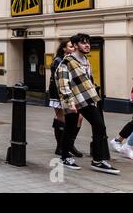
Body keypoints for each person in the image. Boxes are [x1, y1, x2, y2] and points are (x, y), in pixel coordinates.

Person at [56, 33, 120, 174]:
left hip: (86, 100)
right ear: (75, 45)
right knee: (71, 128)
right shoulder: (67, 62)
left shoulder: (85, 60)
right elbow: (62, 83)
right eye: (83, 43)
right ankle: (65, 157)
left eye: (88, 43)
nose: (87, 45)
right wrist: (69, 103)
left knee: (99, 126)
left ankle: (97, 160)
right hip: (73, 101)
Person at [48, 40, 83, 157]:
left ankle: (69, 144)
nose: (73, 48)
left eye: (74, 46)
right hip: (60, 94)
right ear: (64, 48)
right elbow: (60, 80)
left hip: (74, 94)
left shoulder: (74, 60)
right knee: (63, 119)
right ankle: (61, 147)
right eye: (70, 46)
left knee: (79, 118)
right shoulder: (58, 61)